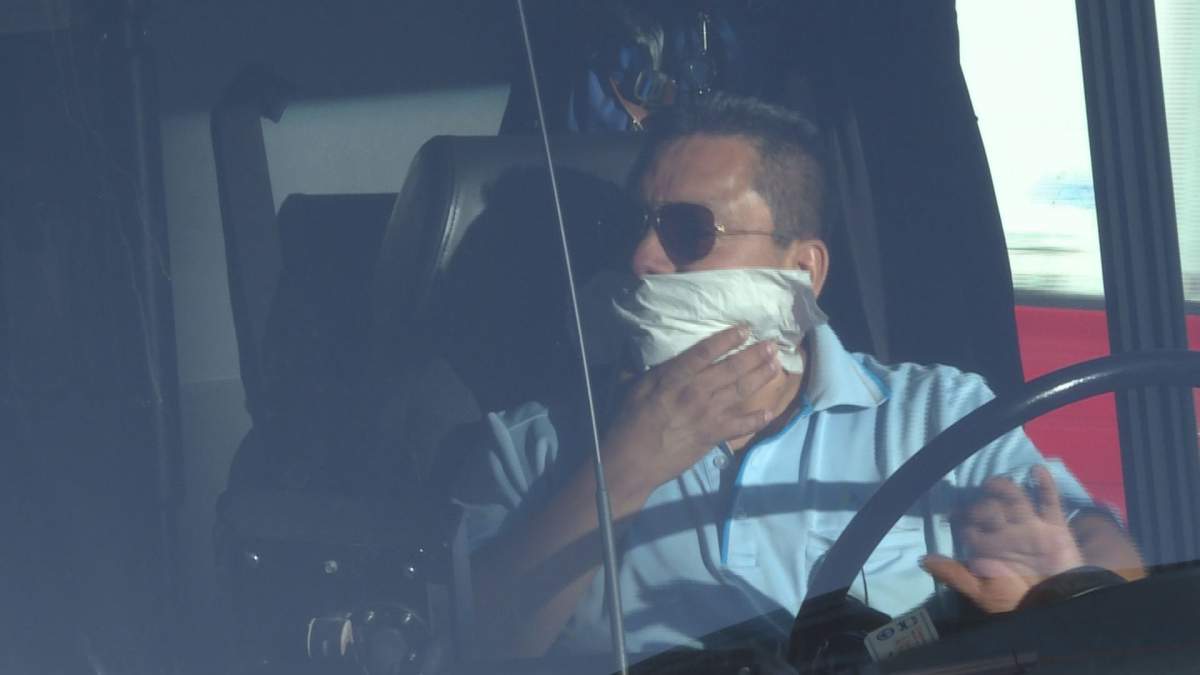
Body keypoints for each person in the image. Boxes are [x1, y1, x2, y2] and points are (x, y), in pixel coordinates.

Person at [454, 92, 1142, 662]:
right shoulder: (527, 446)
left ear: (803, 269)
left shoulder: (937, 412)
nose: (642, 258)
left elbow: (1105, 549)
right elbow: (468, 648)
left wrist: (1070, 579)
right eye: (635, 225)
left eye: (687, 231)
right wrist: (627, 464)